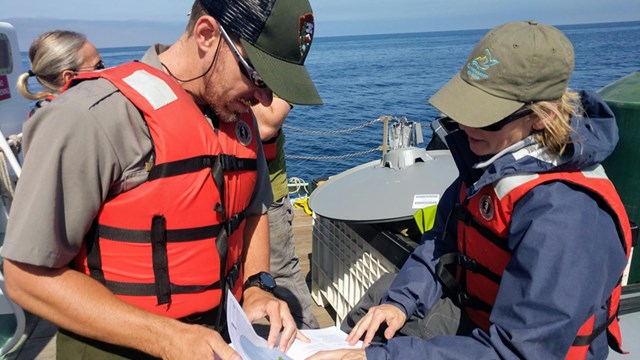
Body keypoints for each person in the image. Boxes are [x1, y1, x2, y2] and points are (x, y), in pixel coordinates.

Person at [1, 0, 322, 358]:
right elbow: (25, 276)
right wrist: (168, 337)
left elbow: (254, 210)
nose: (263, 98)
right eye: (258, 76)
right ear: (206, 35)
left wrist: (256, 285)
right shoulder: (91, 117)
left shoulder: (239, 120)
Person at [310, 21, 631, 359]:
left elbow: (521, 352)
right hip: (479, 319)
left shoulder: (567, 215)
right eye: (465, 108)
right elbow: (440, 242)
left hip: (519, 347)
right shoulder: (488, 163)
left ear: (542, 117)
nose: (466, 125)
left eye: (487, 116)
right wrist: (402, 303)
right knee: (381, 303)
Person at [253, 97, 320, 330]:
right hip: (219, 193)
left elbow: (265, 125)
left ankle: (309, 341)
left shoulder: (279, 69)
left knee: (281, 275)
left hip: (268, 192)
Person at [16, 30, 103, 114]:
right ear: (69, 77)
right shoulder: (79, 116)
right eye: (98, 66)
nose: (104, 70)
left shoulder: (40, 113)